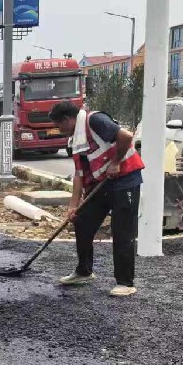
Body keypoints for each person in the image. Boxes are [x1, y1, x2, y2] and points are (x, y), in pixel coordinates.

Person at [49, 101, 145, 297]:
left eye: (59, 126)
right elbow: (79, 175)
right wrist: (72, 207)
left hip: (126, 178)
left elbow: (126, 137)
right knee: (82, 221)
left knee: (121, 230)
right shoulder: (76, 140)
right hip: (103, 183)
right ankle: (84, 271)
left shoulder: (95, 121)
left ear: (68, 120)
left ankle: (125, 283)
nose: (59, 130)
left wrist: (116, 162)